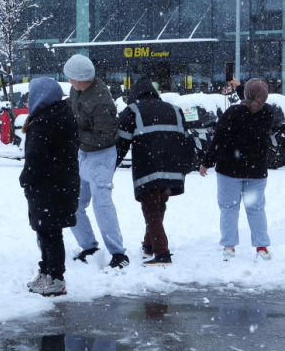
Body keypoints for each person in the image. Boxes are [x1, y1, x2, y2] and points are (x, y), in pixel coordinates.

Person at [115, 79, 194, 266]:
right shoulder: (174, 109)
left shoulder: (133, 110)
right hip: (172, 167)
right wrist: (185, 166)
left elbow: (121, 143)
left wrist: (111, 165)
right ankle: (149, 245)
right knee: (158, 206)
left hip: (148, 167)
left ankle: (162, 253)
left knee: (151, 208)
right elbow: (186, 139)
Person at [63, 54, 129, 269]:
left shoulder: (101, 101)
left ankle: (118, 253)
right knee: (74, 204)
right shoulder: (77, 90)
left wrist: (75, 132)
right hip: (82, 154)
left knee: (102, 206)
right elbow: (73, 106)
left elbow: (105, 138)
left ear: (79, 78)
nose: (68, 81)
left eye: (69, 77)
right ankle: (88, 247)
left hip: (101, 157)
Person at [200, 78, 274, 261]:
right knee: (256, 209)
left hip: (229, 170)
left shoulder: (233, 112)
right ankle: (262, 248)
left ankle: (229, 247)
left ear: (248, 94)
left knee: (229, 208)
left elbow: (220, 140)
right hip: (257, 172)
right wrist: (240, 88)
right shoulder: (268, 112)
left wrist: (207, 162)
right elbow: (254, 105)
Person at [20, 78, 80, 296]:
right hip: (59, 185)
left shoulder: (44, 121)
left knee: (49, 234)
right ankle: (47, 273)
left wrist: (25, 178)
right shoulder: (61, 115)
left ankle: (56, 278)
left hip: (48, 186)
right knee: (48, 232)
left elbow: (36, 158)